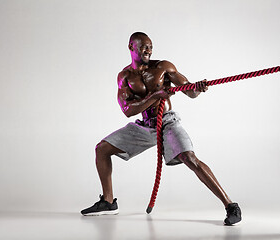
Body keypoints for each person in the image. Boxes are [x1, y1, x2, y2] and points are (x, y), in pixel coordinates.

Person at [81, 32, 242, 225]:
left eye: (150, 46)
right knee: (102, 149)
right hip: (145, 126)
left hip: (167, 123)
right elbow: (128, 111)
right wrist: (155, 96)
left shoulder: (163, 67)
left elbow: (190, 91)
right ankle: (108, 202)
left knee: (189, 158)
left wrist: (197, 88)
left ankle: (230, 205)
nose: (148, 50)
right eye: (144, 46)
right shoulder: (125, 76)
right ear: (131, 47)